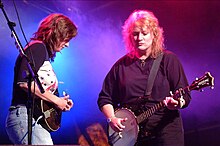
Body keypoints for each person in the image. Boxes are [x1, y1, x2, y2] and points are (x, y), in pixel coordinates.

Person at [97, 9, 191, 146]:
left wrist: (177, 103)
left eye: (144, 33)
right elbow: (105, 97)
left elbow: (185, 94)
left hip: (166, 133)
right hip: (132, 137)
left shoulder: (168, 60)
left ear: (154, 34)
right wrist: (112, 118)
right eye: (135, 34)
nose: (139, 38)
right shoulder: (120, 66)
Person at [5, 13, 77, 145]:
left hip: (32, 119)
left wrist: (59, 102)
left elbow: (38, 91)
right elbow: (24, 83)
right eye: (66, 39)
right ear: (57, 33)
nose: (67, 45)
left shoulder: (42, 52)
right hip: (24, 117)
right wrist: (55, 100)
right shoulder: (38, 47)